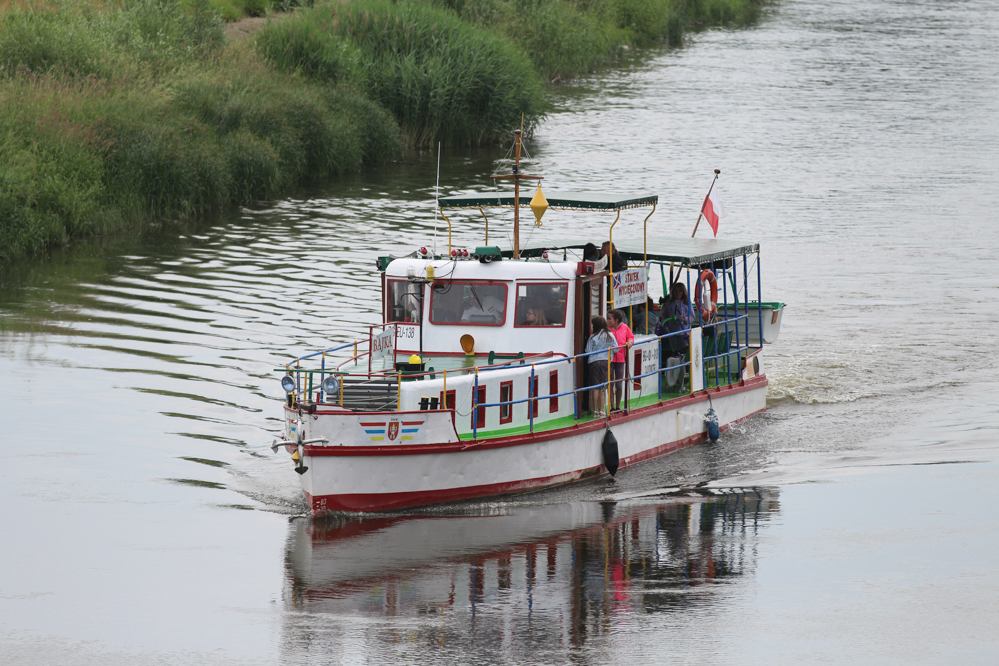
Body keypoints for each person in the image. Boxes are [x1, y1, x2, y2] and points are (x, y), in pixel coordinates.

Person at [584, 316, 615, 416]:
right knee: (603, 387)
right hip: (605, 361)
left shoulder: (592, 337)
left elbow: (588, 351)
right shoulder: (610, 335)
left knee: (595, 387)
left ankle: (595, 410)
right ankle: (602, 410)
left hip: (594, 362)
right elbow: (616, 348)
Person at [607, 309, 634, 411]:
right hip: (610, 359)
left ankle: (617, 406)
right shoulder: (608, 329)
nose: (608, 320)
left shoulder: (625, 327)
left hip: (621, 359)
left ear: (616, 320)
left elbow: (631, 337)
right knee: (611, 383)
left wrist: (630, 342)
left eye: (610, 319)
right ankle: (612, 406)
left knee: (619, 384)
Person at [657, 282, 694, 353]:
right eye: (676, 291)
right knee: (675, 352)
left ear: (683, 292)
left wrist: (684, 319)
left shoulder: (687, 303)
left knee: (684, 351)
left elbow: (692, 316)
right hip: (672, 332)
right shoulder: (669, 303)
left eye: (680, 291)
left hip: (684, 332)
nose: (678, 293)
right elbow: (665, 316)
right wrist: (664, 326)